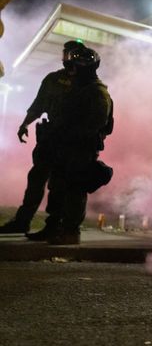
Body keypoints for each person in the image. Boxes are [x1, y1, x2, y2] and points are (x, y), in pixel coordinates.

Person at [0, 40, 83, 235]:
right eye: (66, 53)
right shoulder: (52, 79)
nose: (67, 57)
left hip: (68, 142)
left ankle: (53, 225)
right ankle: (23, 221)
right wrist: (25, 124)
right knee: (36, 180)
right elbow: (39, 105)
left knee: (59, 185)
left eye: (71, 53)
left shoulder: (87, 84)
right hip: (49, 138)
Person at [43, 46, 113, 245]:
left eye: (77, 67)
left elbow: (95, 124)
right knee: (59, 186)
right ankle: (57, 227)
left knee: (74, 189)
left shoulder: (97, 92)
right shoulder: (78, 89)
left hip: (80, 149)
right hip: (66, 147)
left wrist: (68, 134)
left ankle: (70, 231)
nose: (72, 70)